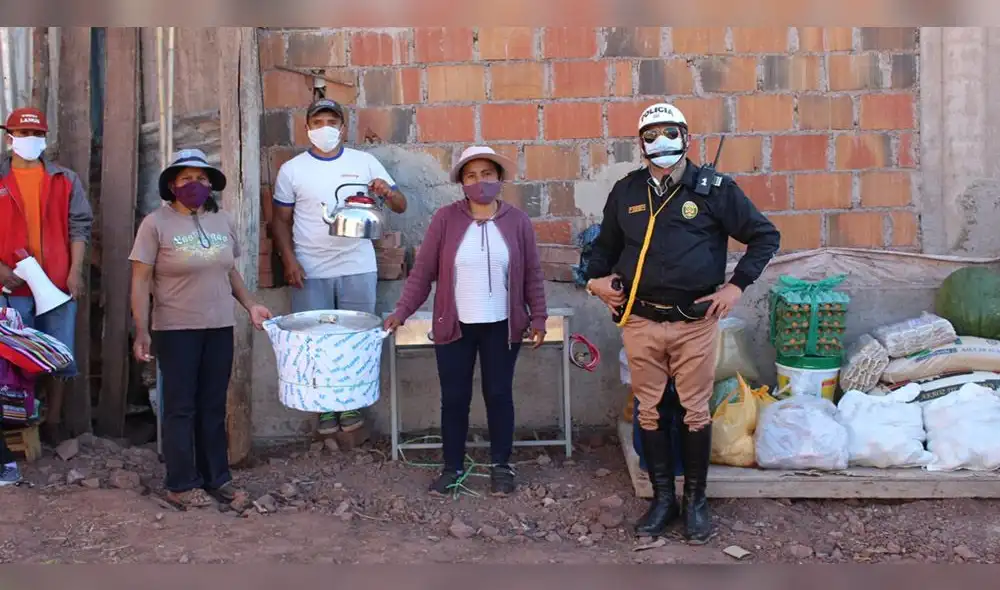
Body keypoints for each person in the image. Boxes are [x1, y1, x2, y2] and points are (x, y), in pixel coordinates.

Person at [585, 103, 780, 543]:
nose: (660, 142)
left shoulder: (713, 189)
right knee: (649, 410)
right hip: (640, 321)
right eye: (650, 135)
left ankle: (695, 502)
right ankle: (661, 500)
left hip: (695, 322)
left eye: (669, 132)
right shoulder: (628, 191)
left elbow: (764, 236)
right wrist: (596, 282)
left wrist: (736, 287)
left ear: (686, 137)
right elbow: (605, 246)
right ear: (639, 144)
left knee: (694, 412)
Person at [384, 146, 548, 496]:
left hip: (503, 326)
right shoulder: (446, 219)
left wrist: (540, 317)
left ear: (499, 179)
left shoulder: (517, 221)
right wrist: (401, 312)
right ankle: (452, 467)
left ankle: (501, 467)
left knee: (499, 394)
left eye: (487, 174)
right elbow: (422, 273)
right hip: (454, 325)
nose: (480, 182)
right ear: (461, 182)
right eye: (471, 176)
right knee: (454, 398)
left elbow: (532, 274)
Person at [129, 149, 273, 509]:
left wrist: (251, 304)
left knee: (212, 405)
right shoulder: (155, 224)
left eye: (202, 178)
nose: (195, 185)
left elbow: (230, 272)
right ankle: (180, 483)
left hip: (219, 326)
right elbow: (139, 281)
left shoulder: (222, 220)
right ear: (172, 185)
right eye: (186, 179)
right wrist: (141, 329)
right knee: (180, 408)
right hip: (176, 329)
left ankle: (217, 478)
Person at [271, 98, 408, 438]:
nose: (325, 128)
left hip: (357, 265)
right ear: (307, 129)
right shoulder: (293, 170)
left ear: (343, 128)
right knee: (316, 342)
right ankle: (325, 408)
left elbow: (401, 205)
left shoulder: (364, 162)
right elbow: (279, 221)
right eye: (318, 123)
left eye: (332, 121)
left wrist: (387, 191)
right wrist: (289, 260)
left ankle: (350, 404)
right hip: (310, 267)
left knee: (355, 339)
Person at [0, 107, 93, 445]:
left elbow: (80, 227)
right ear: (9, 138)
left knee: (59, 353)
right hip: (12, 286)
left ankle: (52, 423)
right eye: (23, 134)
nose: (30, 140)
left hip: (56, 284)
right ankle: (18, 424)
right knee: (14, 357)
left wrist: (75, 272)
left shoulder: (64, 179)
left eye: (37, 134)